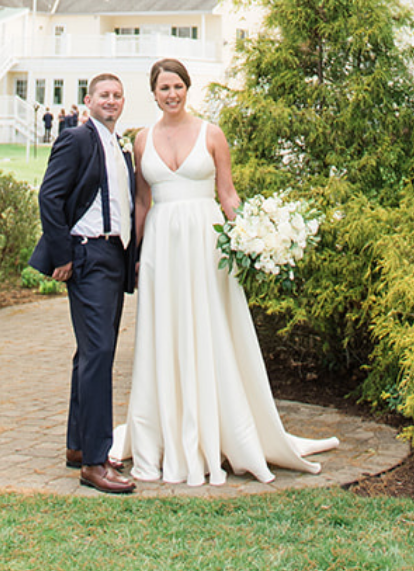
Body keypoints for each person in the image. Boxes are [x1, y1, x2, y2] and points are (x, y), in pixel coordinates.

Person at [112, 58, 338, 486]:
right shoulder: (142, 140)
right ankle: (167, 430)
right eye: (163, 88)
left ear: (187, 88)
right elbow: (142, 202)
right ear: (154, 93)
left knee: (212, 327)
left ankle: (223, 426)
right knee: (167, 332)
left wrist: (252, 238)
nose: (171, 94)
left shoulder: (211, 134)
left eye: (177, 86)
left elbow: (228, 194)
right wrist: (136, 256)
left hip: (206, 243)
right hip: (163, 245)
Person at [28, 74, 138, 494]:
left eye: (116, 95)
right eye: (103, 95)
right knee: (100, 354)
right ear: (88, 100)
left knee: (90, 354)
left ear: (123, 102)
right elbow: (49, 196)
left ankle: (77, 445)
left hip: (114, 255)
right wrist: (63, 256)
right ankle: (95, 462)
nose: (110, 101)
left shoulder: (117, 144)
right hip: (88, 256)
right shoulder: (77, 138)